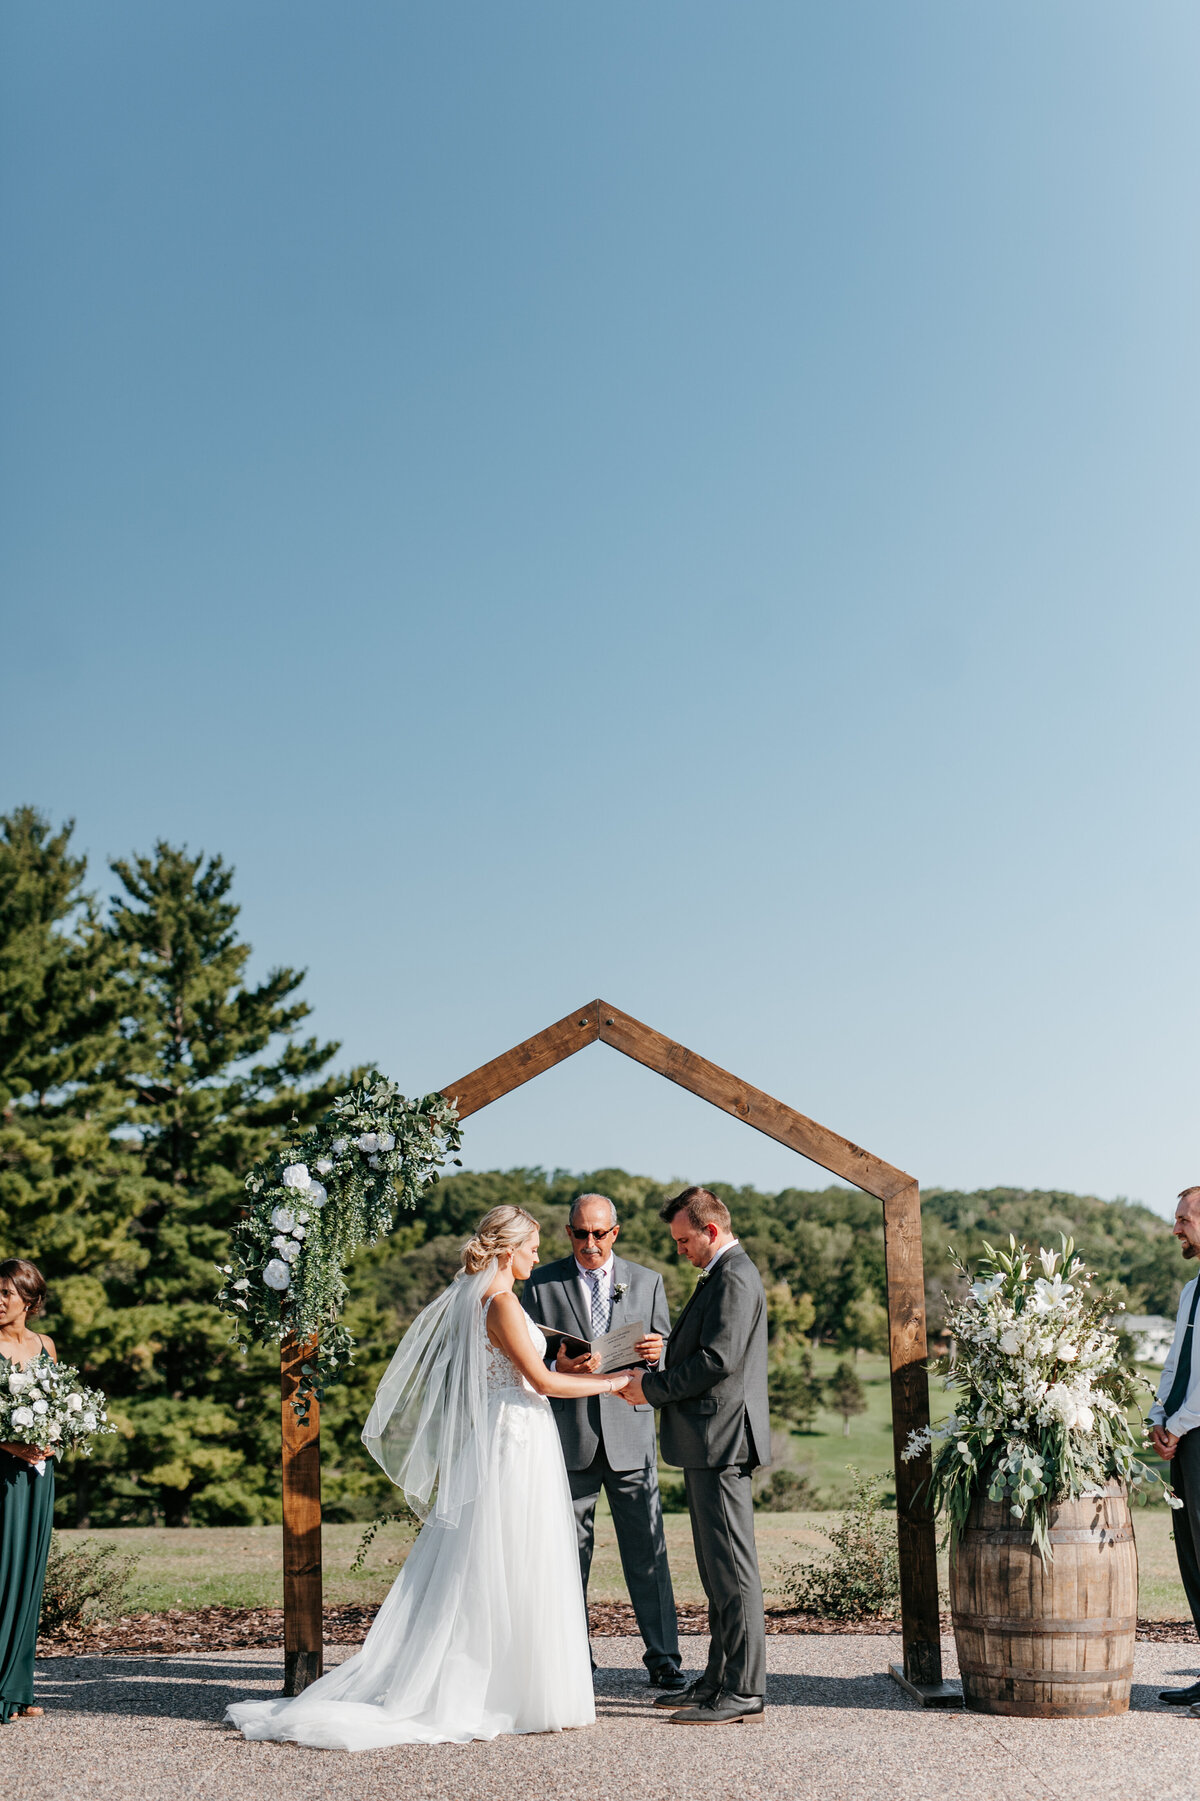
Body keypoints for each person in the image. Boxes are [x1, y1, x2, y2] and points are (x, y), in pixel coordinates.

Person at [226, 1205, 631, 1750]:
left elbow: (530, 1376)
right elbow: (539, 1383)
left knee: (507, 1555)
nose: (538, 1254)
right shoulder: (503, 1302)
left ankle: (521, 1687)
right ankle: (507, 1692)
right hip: (514, 1438)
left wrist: (568, 1370)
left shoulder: (485, 1300)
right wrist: (613, 1383)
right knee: (509, 1554)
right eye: (532, 1246)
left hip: (510, 1430)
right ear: (508, 1250)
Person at [522, 1192, 684, 1691]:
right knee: (568, 1554)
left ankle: (664, 1659)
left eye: (599, 1233)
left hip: (629, 1430)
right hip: (568, 1435)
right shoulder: (539, 1282)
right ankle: (574, 1658)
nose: (589, 1243)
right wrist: (557, 1366)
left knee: (648, 1554)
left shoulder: (649, 1280)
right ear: (567, 1231)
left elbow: (665, 1355)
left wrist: (660, 1351)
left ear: (615, 1233)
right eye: (579, 1233)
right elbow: (521, 1355)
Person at [621, 1187, 769, 1726]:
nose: (680, 1249)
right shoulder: (723, 1273)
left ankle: (745, 1691)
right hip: (710, 1440)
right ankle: (718, 1679)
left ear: (711, 1230)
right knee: (715, 1570)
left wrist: (651, 1389)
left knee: (733, 1570)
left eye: (684, 1240)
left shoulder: (733, 1275)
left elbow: (718, 1359)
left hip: (722, 1439)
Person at [1149, 1187, 1200, 1708]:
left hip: (1198, 1431)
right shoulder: (1192, 1289)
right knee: (1192, 1554)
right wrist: (1157, 1416)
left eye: (1184, 1219)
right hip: (1184, 1436)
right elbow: (1176, 1360)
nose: (1176, 1229)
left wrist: (1180, 1425)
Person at [0, 1259, 57, 1725]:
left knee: (28, 1578)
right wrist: (13, 1444)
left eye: (6, 1293)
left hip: (39, 1475)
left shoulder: (45, 1346)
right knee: (1, 1575)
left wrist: (53, 1439)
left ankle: (18, 1690)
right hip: (2, 1472)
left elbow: (58, 1405)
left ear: (30, 1300)